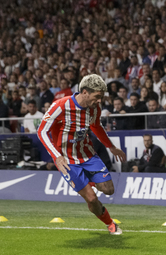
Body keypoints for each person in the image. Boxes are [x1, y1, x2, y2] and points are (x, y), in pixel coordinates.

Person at [37, 74, 126, 235]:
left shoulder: (94, 108)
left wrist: (111, 147)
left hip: (88, 155)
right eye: (97, 97)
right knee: (92, 198)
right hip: (67, 161)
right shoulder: (61, 106)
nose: (100, 101)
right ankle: (110, 223)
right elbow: (41, 131)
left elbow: (96, 126)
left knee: (109, 189)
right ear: (85, 92)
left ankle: (88, 182)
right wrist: (56, 156)